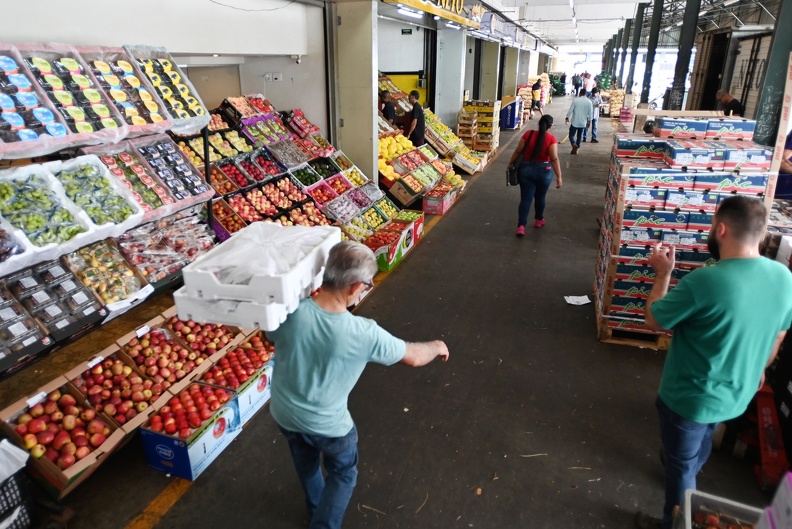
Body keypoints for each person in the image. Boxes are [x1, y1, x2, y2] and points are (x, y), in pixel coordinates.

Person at [634, 196, 792, 529]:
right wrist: (758, 369)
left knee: (681, 468)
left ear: (721, 229)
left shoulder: (706, 280)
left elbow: (653, 319)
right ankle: (690, 464)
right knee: (702, 438)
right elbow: (779, 335)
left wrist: (663, 274)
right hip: (738, 393)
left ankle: (674, 522)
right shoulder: (783, 277)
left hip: (691, 398)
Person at [268, 241, 450, 529]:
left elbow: (270, 336)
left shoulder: (290, 312)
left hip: (285, 414)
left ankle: (315, 508)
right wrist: (437, 345)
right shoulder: (363, 333)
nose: (366, 289)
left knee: (306, 462)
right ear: (354, 286)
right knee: (343, 473)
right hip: (328, 425)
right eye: (367, 284)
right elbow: (414, 356)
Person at [506, 114, 563, 237]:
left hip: (526, 170)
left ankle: (521, 226)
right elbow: (554, 158)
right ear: (550, 126)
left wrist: (510, 163)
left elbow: (518, 151)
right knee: (540, 197)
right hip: (545, 171)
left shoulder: (528, 134)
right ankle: (538, 220)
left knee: (526, 199)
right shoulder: (551, 139)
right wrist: (559, 176)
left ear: (539, 123)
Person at [565, 88, 593, 155]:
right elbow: (590, 113)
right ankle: (577, 148)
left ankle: (573, 144)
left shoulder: (576, 100)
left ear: (580, 93)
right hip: (583, 123)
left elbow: (570, 110)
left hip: (575, 122)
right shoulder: (589, 102)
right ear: (586, 94)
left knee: (571, 135)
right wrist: (589, 121)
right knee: (579, 136)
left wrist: (567, 117)